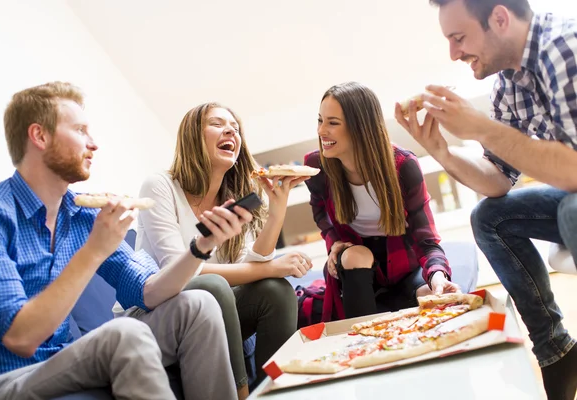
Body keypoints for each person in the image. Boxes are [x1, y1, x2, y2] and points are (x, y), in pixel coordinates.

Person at [0, 82, 247, 400]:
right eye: (80, 131)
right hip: (8, 380)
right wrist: (93, 250)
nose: (94, 144)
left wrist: (200, 247)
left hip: (67, 359)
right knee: (124, 333)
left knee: (198, 305)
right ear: (40, 136)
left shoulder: (81, 215)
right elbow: (21, 338)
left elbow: (149, 290)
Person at [395, 1, 577, 398]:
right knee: (489, 217)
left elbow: (573, 171)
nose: (453, 53)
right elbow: (497, 182)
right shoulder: (508, 85)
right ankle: (555, 349)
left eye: (458, 38)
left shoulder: (565, 46)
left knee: (572, 210)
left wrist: (482, 129)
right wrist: (441, 150)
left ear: (499, 18)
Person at [133, 102, 312, 396]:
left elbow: (250, 266)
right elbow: (181, 274)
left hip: (211, 314)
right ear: (192, 136)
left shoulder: (233, 198)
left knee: (275, 289)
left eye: (235, 127)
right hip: (155, 316)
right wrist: (271, 266)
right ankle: (240, 393)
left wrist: (277, 207)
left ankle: (277, 391)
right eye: (217, 123)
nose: (231, 130)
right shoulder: (160, 186)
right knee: (212, 286)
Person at [303, 81, 459, 322]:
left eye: (332, 123)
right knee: (357, 255)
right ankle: (363, 340)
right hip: (357, 265)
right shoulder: (317, 167)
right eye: (320, 120)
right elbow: (321, 215)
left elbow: (425, 238)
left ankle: (394, 303)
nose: (322, 131)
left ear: (360, 127)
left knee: (434, 294)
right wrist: (335, 243)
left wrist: (438, 275)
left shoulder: (403, 166)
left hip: (404, 265)